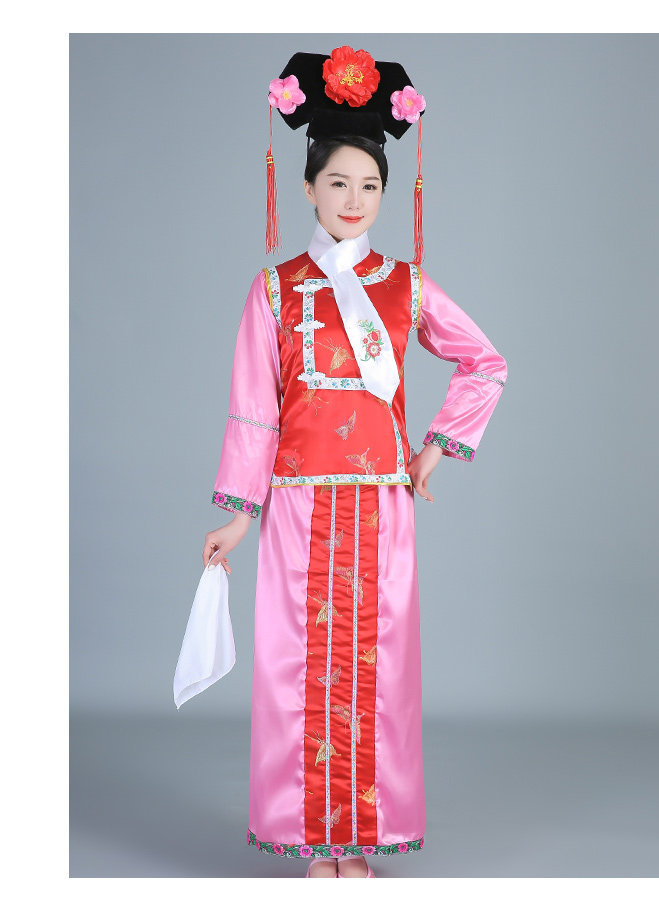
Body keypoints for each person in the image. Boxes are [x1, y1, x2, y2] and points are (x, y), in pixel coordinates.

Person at [201, 48, 508, 879]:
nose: (353, 199)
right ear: (307, 188)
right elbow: (254, 408)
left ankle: (362, 840)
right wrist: (238, 513)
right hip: (297, 504)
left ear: (384, 194)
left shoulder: (406, 286)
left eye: (369, 185)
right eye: (337, 182)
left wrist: (437, 446)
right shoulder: (275, 290)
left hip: (380, 504)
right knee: (295, 665)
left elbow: (485, 362)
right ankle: (312, 839)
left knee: (379, 665)